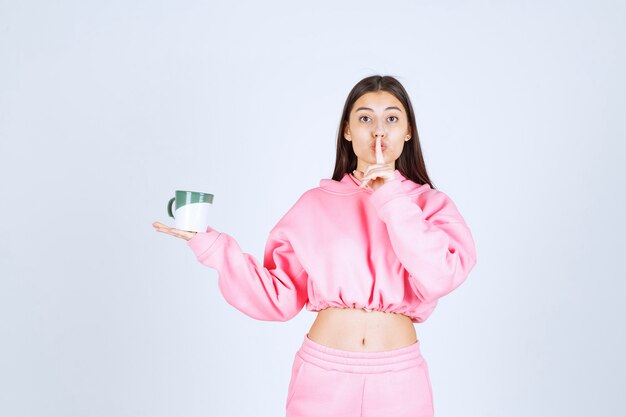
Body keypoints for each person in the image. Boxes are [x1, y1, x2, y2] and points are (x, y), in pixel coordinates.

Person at [152, 74, 477, 417]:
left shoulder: (430, 204)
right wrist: (213, 246)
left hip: (399, 381)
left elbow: (442, 276)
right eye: (365, 118)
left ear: (408, 131)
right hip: (323, 377)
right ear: (347, 131)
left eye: (392, 119)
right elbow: (279, 296)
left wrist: (391, 196)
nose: (378, 131)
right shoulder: (314, 204)